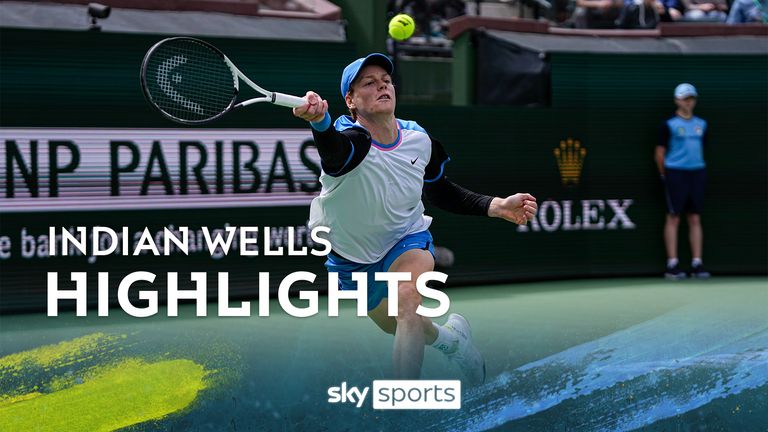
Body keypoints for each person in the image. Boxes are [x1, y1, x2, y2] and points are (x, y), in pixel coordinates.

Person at [292, 54, 537, 384]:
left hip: (406, 239)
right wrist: (320, 123)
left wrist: (496, 206)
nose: (382, 85)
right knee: (402, 324)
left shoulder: (418, 139)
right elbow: (336, 153)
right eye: (369, 82)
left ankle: (404, 406)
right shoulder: (350, 140)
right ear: (350, 101)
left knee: (408, 298)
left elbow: (439, 191)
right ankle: (454, 343)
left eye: (386, 80)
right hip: (351, 256)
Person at [655, 83, 710, 280]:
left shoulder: (701, 124)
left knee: (695, 217)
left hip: (697, 173)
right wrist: (665, 174)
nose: (689, 102)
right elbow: (659, 153)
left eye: (691, 98)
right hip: (675, 174)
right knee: (674, 217)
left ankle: (697, 263)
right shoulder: (668, 125)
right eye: (685, 98)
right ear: (677, 100)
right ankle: (673, 263)